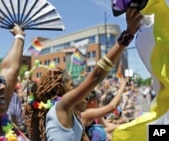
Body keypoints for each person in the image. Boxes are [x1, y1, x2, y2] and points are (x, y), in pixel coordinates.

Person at [25, 7, 142, 141]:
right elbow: (96, 75)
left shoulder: (72, 114)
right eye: (71, 85)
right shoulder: (61, 106)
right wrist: (128, 33)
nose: (77, 89)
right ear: (59, 89)